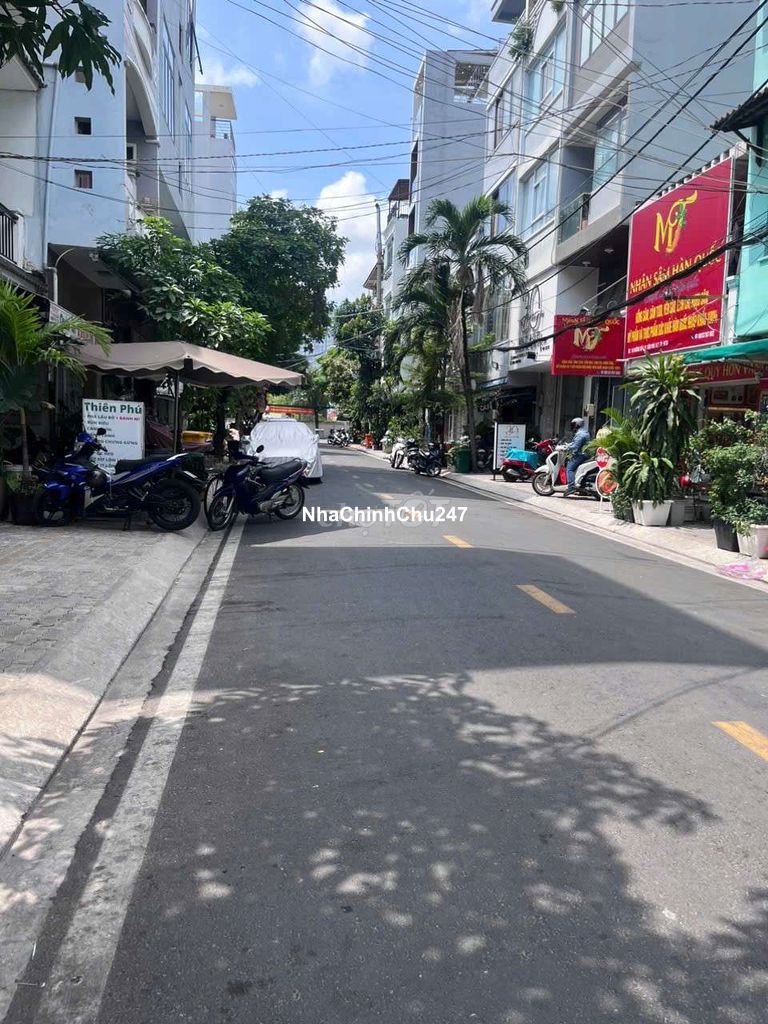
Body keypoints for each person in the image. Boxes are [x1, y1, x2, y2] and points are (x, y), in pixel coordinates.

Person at [564, 417, 591, 496]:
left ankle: (571, 487)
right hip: (584, 454)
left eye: (573, 425)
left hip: (581, 455)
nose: (572, 427)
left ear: (577, 425)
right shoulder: (583, 432)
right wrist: (567, 445)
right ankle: (581, 487)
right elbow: (574, 443)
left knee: (569, 468)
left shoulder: (580, 434)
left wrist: (565, 448)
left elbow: (575, 446)